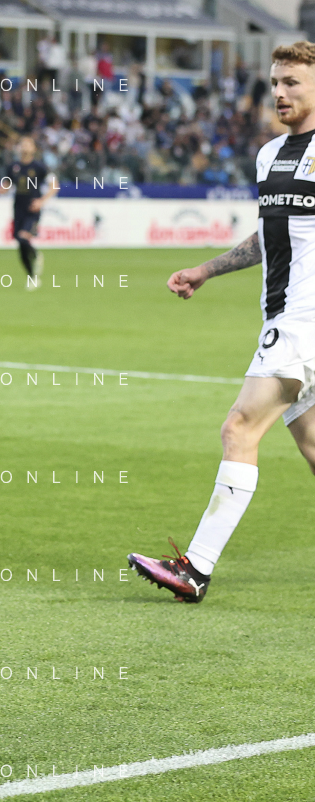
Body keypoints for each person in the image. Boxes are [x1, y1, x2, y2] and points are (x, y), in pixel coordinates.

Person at [129, 42, 315, 602]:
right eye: (275, 82)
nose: (279, 92)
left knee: (239, 428)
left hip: (304, 321)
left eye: (292, 82)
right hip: (285, 316)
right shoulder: (270, 154)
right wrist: (207, 269)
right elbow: (271, 235)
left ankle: (196, 568)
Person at [0, 135, 56, 284]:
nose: (24, 147)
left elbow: (54, 186)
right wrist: (2, 189)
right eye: (22, 144)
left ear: (34, 149)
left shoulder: (40, 167)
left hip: (32, 209)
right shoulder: (13, 167)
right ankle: (32, 277)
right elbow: (7, 184)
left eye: (28, 144)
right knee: (20, 243)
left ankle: (35, 254)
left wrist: (41, 201)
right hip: (18, 208)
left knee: (23, 238)